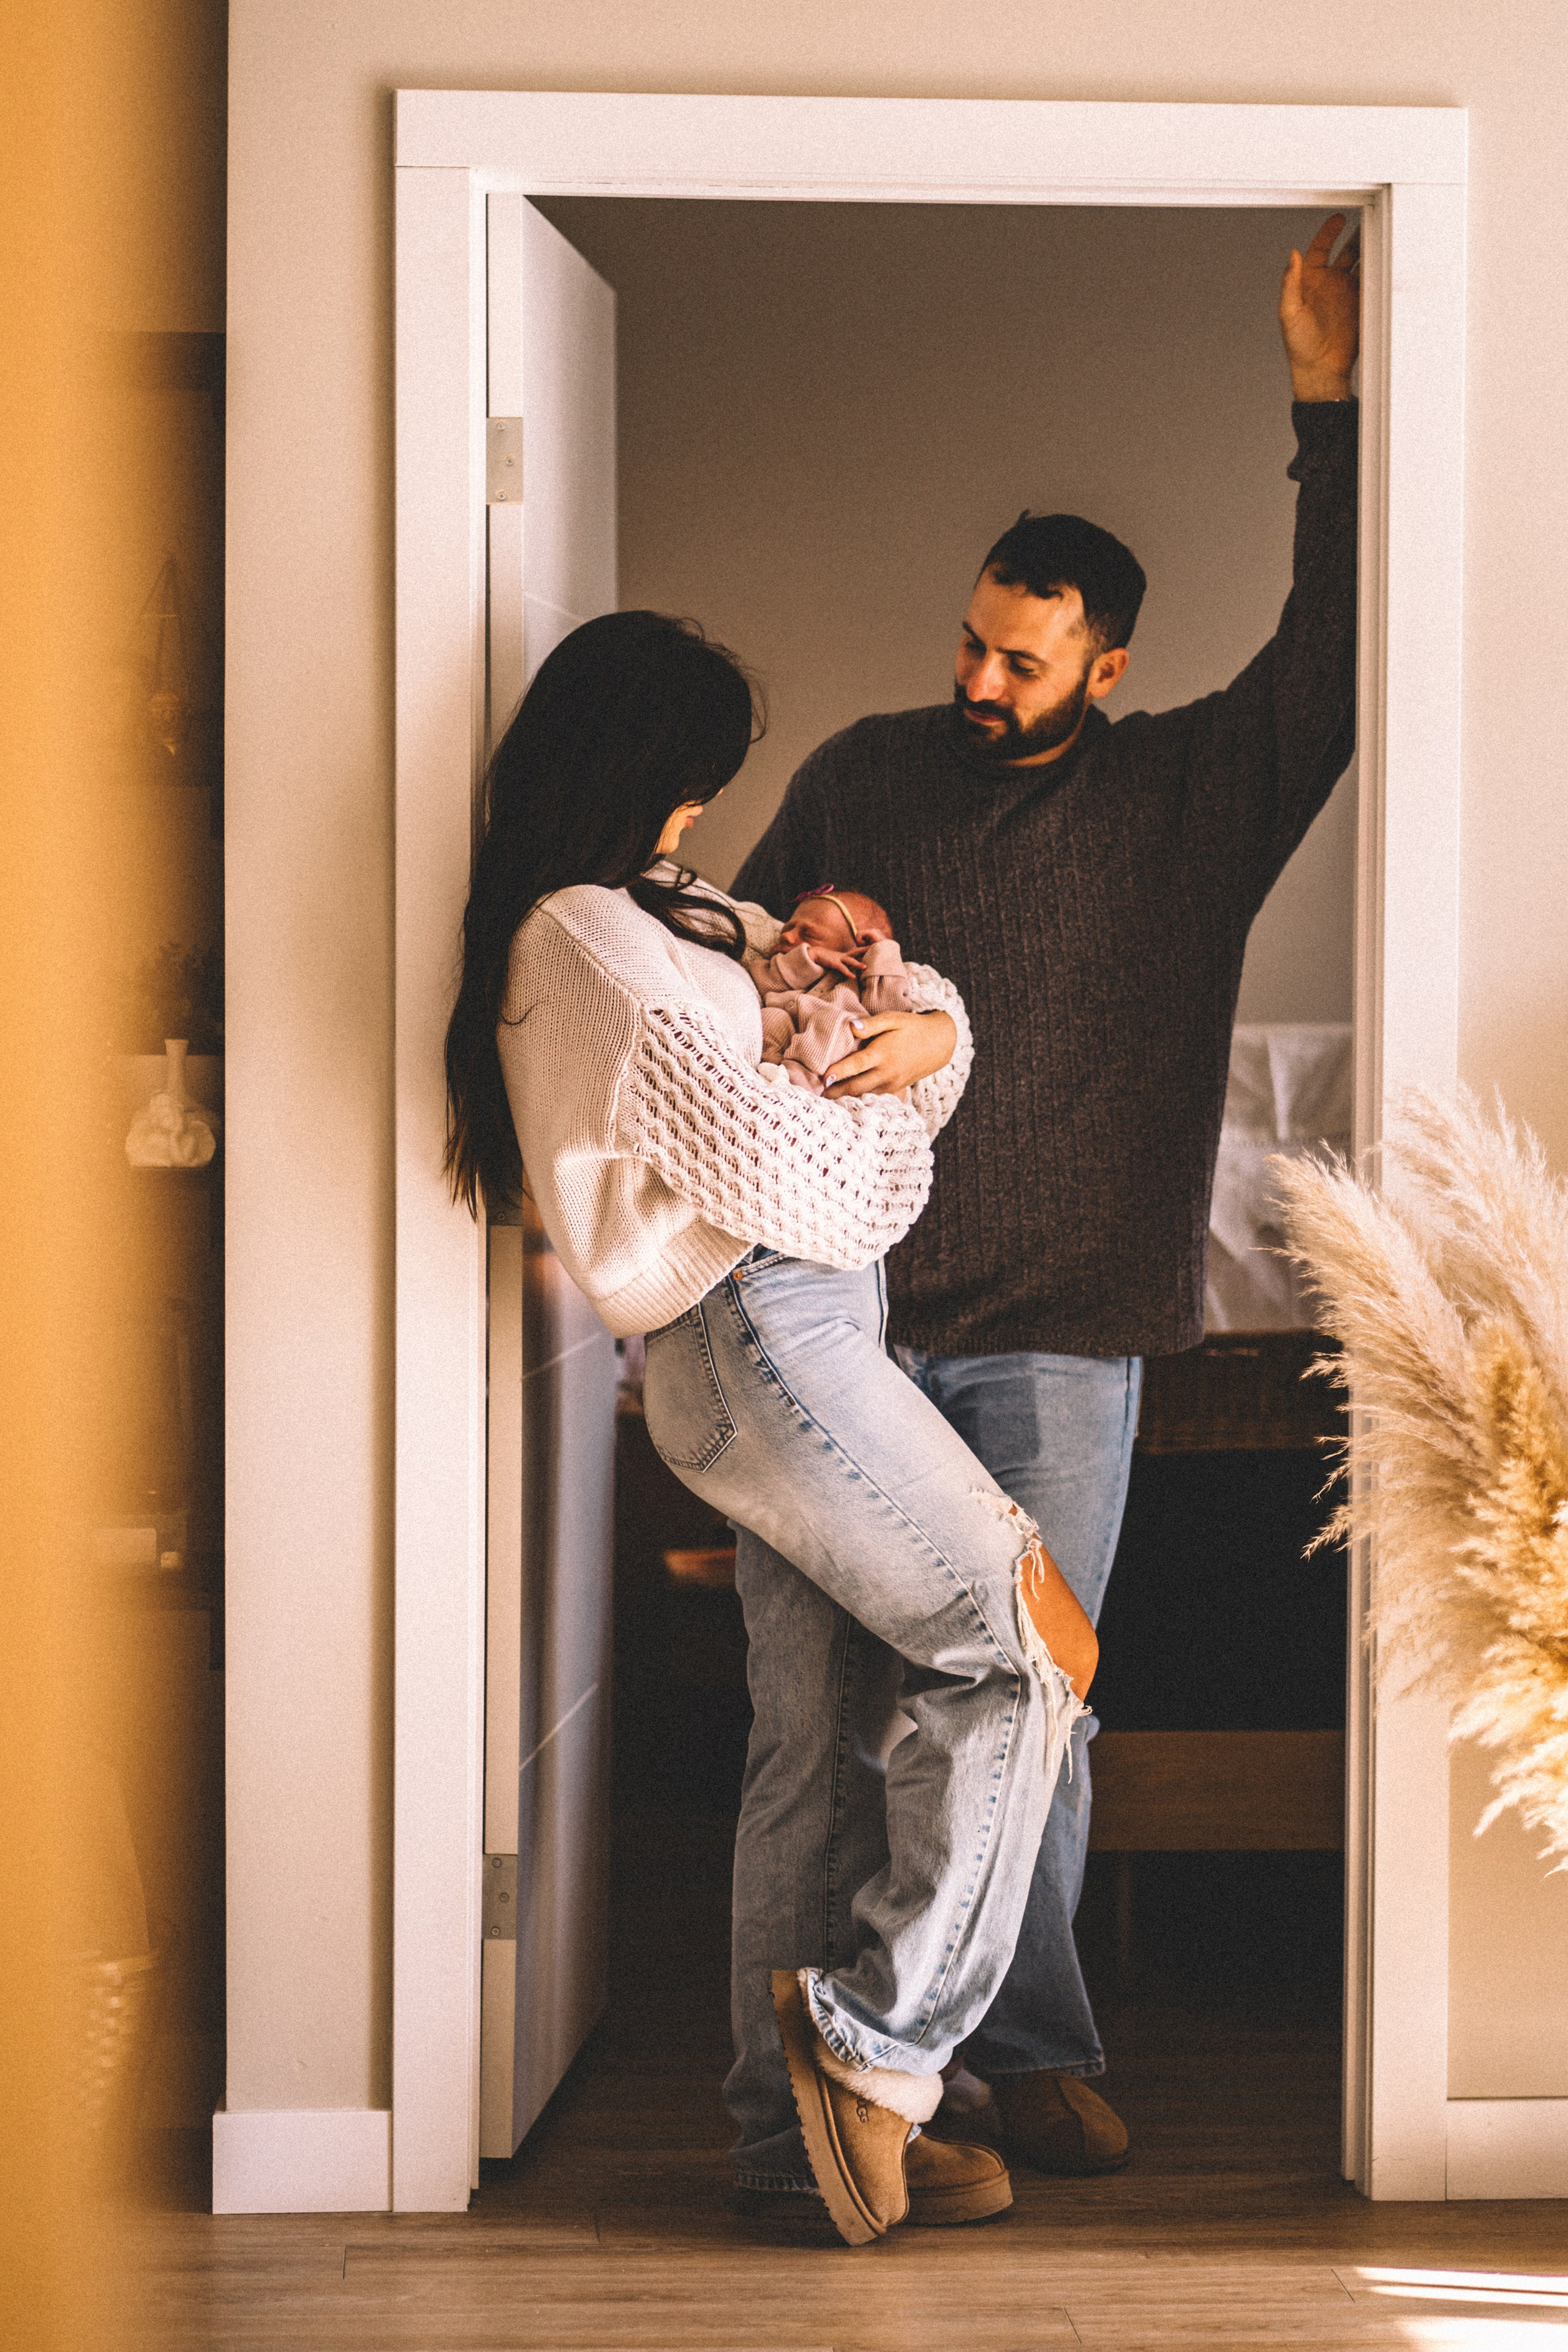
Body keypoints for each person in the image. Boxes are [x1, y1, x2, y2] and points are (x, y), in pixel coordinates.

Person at [731, 213, 1363, 2180]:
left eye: (1021, 655)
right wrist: (814, 977)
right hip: (850, 1323)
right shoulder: (864, 771)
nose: (977, 675)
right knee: (832, 1727)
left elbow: (1338, 646)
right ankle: (828, 2098)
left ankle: (1024, 2042)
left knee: (1035, 1713)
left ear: (1110, 664)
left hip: (1073, 1335)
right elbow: (741, 967)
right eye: (968, 638)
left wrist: (1321, 403)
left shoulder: (1198, 792)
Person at [443, 608, 1100, 2246]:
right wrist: (885, 1116)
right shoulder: (583, 940)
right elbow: (795, 1186)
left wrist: (928, 1036)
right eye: (695, 779)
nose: (703, 814)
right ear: (647, 766)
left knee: (816, 1747)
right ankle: (874, 2061)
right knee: (1027, 1647)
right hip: (756, 1331)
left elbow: (918, 1005)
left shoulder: (687, 914)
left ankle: (780, 2139)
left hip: (804, 1325)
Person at [752, 886, 913, 1093]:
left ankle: (797, 1090)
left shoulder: (860, 979)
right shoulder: (790, 968)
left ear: (860, 947)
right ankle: (771, 1074)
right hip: (789, 1051)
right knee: (771, 1017)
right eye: (787, 929)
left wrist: (883, 953)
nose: (789, 937)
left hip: (844, 1054)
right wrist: (811, 956)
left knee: (830, 1021)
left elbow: (890, 1009)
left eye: (808, 935)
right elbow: (766, 982)